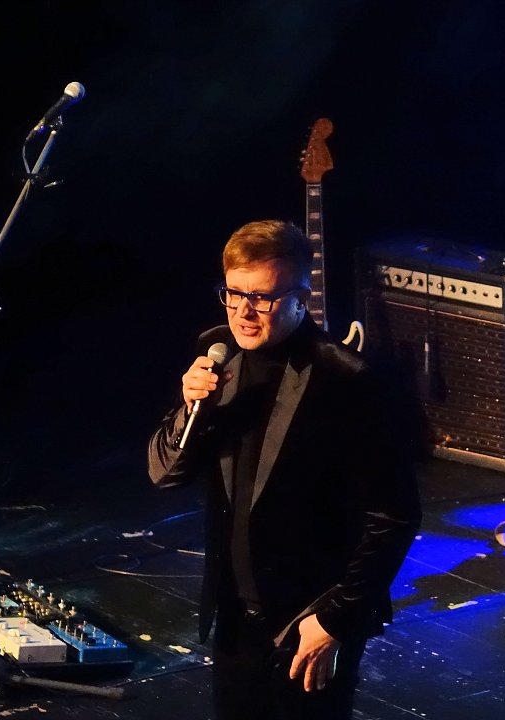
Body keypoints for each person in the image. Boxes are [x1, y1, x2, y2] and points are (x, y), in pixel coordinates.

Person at [148, 219, 421, 720]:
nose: (243, 312)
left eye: (262, 298)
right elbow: (165, 475)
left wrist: (336, 620)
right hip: (235, 616)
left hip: (309, 618)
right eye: (233, 294)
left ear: (300, 299)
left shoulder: (348, 380)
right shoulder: (219, 358)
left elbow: (394, 516)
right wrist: (190, 410)